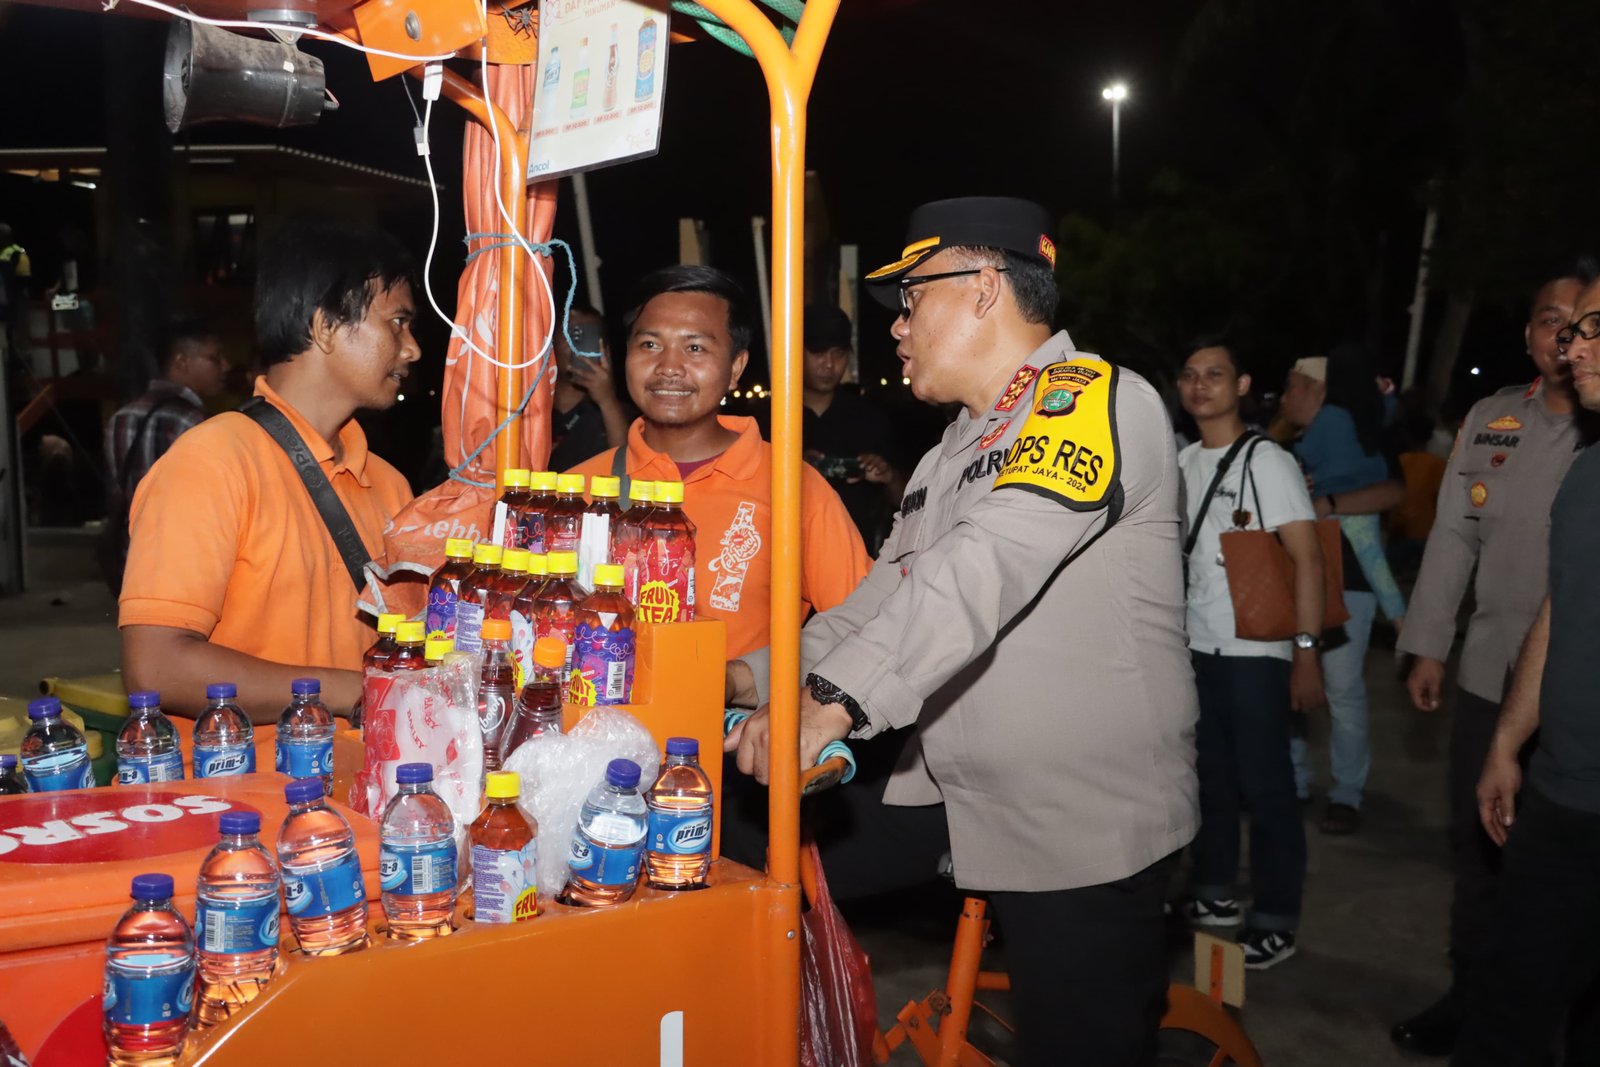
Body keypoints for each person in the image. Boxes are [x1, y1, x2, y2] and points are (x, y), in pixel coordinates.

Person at [727, 196, 1199, 1067]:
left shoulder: (1092, 398)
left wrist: (828, 706)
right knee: (730, 838)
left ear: (985, 287)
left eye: (911, 301)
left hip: (1078, 822)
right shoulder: (950, 452)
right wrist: (745, 679)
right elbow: (881, 601)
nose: (898, 329)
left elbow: (987, 561)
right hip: (954, 792)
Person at [1389, 263, 1594, 1057]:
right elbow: (1450, 539)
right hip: (1488, 675)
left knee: (1561, 882)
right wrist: (1428, 644)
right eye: (1553, 319)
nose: (1567, 336)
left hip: (1574, 700)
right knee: (1479, 856)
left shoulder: (1596, 434)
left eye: (1582, 322)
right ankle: (1471, 997)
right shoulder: (1492, 420)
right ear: (1532, 333)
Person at [119, 216, 418, 721]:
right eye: (396, 322)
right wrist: (356, 692)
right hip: (241, 791)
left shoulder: (389, 483)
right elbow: (155, 666)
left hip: (360, 787)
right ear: (325, 327)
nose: (412, 348)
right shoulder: (212, 463)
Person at [564, 265, 871, 662]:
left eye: (695, 348)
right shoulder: (578, 489)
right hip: (600, 719)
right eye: (650, 345)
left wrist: (754, 685)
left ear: (736, 369)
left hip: (735, 723)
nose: (669, 367)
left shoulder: (791, 487)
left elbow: (866, 626)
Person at [1452, 278, 1600, 1067]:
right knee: (1508, 1010)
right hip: (1562, 801)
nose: (1574, 345)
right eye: (1570, 329)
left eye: (1596, 326)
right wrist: (1510, 739)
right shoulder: (1588, 470)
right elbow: (1562, 603)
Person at [1176, 339, 1324, 970]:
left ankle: (1275, 916)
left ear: (1241, 386)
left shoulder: (1267, 461)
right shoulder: (1180, 462)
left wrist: (1307, 652)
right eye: (1189, 375)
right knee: (1208, 779)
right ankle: (1213, 896)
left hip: (1257, 648)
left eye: (1214, 374)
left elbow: (1308, 559)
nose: (1200, 385)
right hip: (1196, 646)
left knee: (1267, 789)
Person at [1276, 348, 1406, 834]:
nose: (1285, 397)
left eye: (1292, 386)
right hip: (1299, 582)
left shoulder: (1338, 440)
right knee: (1298, 692)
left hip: (1346, 584)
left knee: (1341, 692)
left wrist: (1324, 499)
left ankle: (1344, 792)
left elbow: (1391, 498)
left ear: (1319, 391)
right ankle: (1297, 781)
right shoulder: (1306, 443)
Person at [100, 316, 228, 592]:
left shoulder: (121, 419)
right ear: (182, 362)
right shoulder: (196, 424)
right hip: (184, 565)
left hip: (132, 559)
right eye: (215, 359)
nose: (225, 367)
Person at [798, 304, 905, 552]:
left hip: (855, 562)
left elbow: (906, 499)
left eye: (838, 353)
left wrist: (886, 475)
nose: (828, 364)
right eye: (818, 353)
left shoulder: (869, 418)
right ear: (795, 352)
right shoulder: (771, 419)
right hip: (786, 562)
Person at [548, 302, 631, 471]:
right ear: (550, 343)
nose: (579, 347)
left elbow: (627, 466)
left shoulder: (619, 414)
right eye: (573, 334)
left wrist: (607, 401)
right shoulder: (531, 409)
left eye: (590, 336)